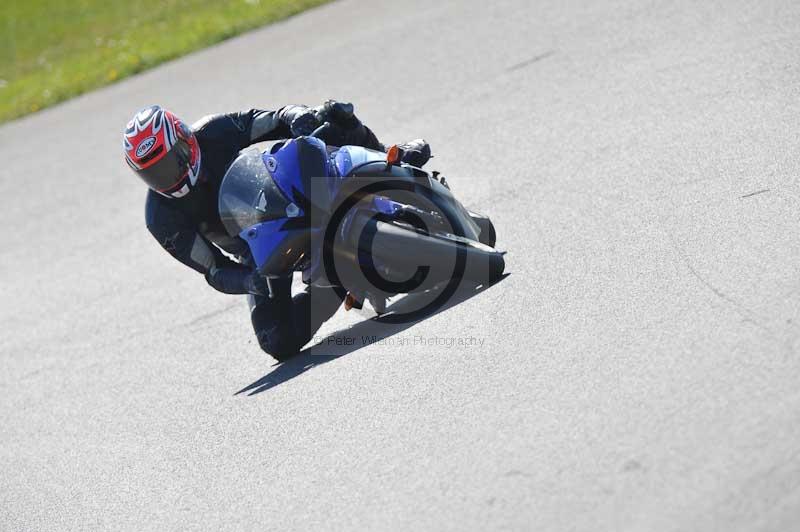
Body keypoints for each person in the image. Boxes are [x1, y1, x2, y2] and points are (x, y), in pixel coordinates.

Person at [123, 101, 431, 359]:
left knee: (333, 115)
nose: (166, 178)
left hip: (284, 190)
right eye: (152, 174)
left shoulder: (214, 131)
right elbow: (214, 270)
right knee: (276, 340)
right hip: (257, 251)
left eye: (167, 163)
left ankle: (395, 160)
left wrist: (300, 116)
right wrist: (249, 280)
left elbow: (275, 118)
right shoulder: (162, 218)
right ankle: (333, 285)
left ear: (185, 139)